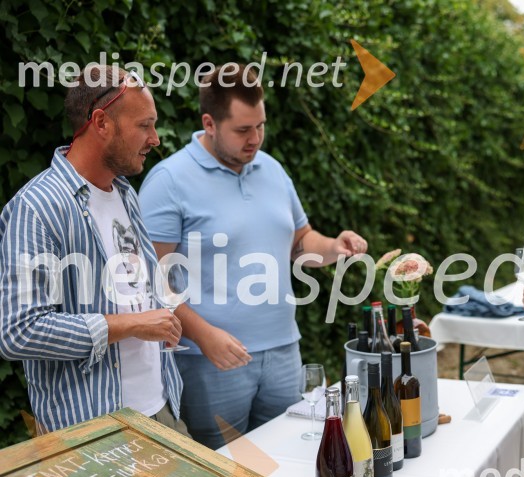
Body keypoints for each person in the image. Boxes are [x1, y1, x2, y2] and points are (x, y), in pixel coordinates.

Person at [139, 63, 368, 449]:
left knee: (293, 458)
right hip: (208, 363)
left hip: (283, 352)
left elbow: (300, 241)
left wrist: (334, 247)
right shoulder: (169, 181)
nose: (255, 139)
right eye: (243, 130)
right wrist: (204, 335)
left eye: (260, 126)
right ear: (209, 123)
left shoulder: (272, 170)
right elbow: (149, 280)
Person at [0, 65, 188, 435]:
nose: (155, 139)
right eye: (144, 125)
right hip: (96, 430)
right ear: (101, 123)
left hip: (161, 408)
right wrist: (133, 324)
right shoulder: (38, 207)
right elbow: (18, 331)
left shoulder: (126, 193)